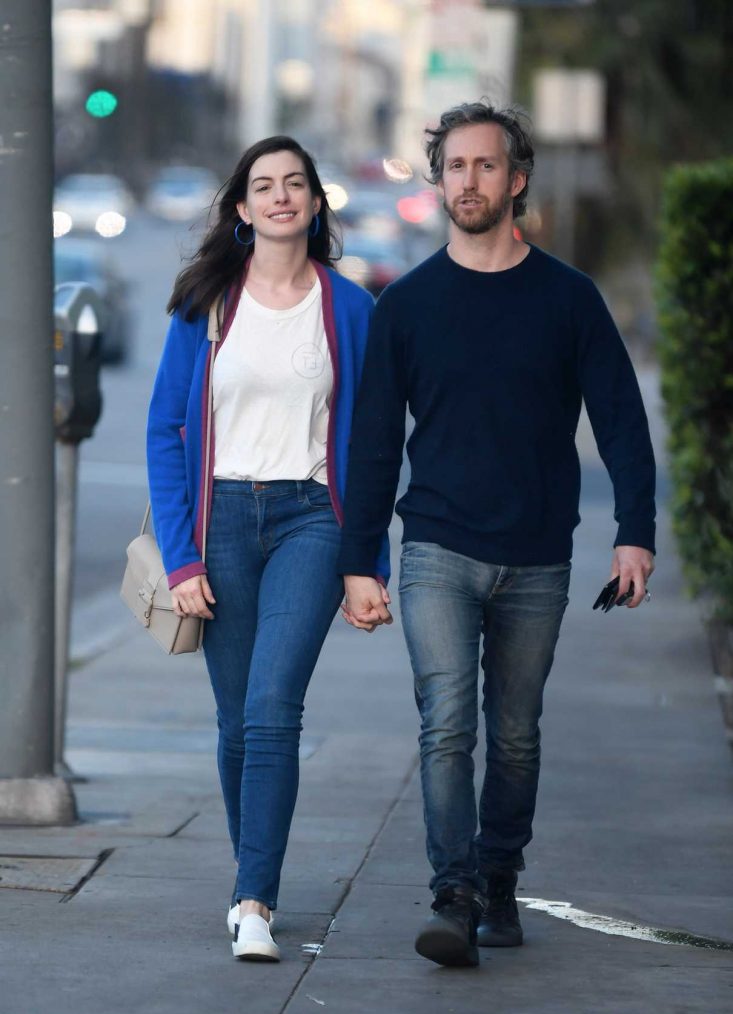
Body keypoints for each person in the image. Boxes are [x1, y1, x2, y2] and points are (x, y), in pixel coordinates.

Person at [337, 101, 656, 968]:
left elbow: (621, 420)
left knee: (514, 731)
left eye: (485, 166)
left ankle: (499, 875)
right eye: (454, 166)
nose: (467, 181)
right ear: (437, 179)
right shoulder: (403, 306)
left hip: (537, 556)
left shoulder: (568, 298)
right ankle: (454, 893)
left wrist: (635, 534)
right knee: (446, 725)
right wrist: (360, 562)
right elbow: (372, 447)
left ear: (515, 180)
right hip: (435, 547)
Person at [147, 136, 389, 963]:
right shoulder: (207, 303)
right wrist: (181, 561)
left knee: (271, 709)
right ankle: (249, 870)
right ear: (242, 210)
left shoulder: (349, 310)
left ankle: (255, 901)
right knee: (235, 723)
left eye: (296, 184)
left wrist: (367, 564)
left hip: (310, 521)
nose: (281, 195)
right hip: (222, 527)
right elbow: (164, 431)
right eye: (263, 185)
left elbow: (373, 445)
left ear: (316, 204)